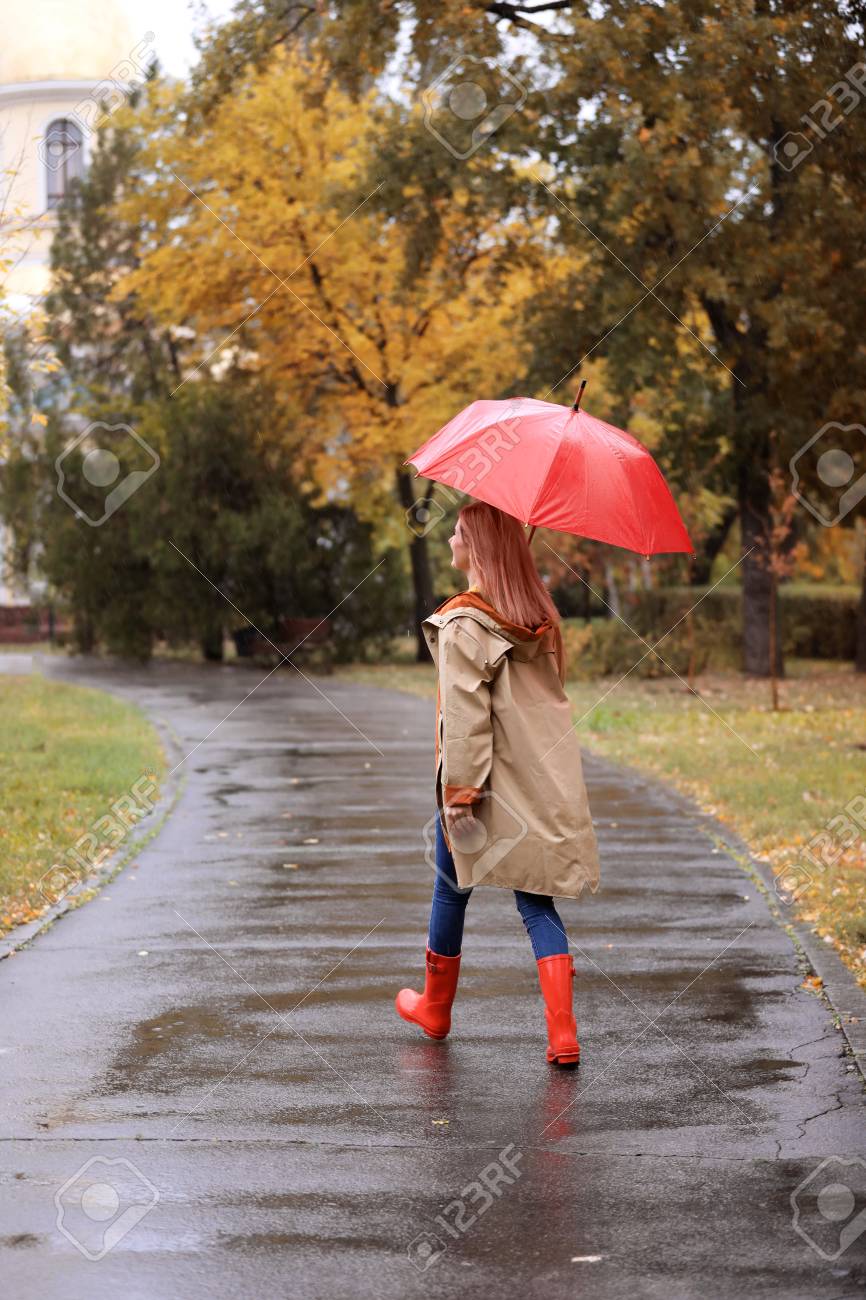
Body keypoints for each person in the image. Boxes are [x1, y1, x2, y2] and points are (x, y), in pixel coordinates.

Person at [395, 502, 601, 1066]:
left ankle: (435, 1008)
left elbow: (464, 712)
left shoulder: (465, 621)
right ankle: (563, 1035)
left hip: (480, 787)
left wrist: (460, 792)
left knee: (448, 888)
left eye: (458, 535)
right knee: (536, 904)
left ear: (477, 550)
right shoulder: (537, 616)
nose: (451, 543)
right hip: (529, 782)